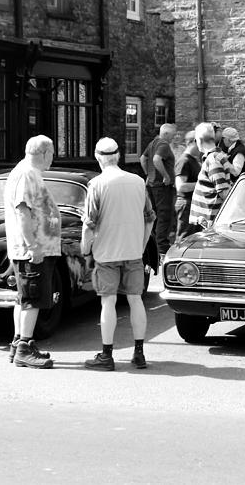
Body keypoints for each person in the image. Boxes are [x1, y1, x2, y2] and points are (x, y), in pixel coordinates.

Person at [82, 137, 156, 371]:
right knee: (135, 300)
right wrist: (142, 244)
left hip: (107, 253)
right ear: (119, 156)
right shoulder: (137, 182)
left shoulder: (97, 184)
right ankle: (139, 353)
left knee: (108, 302)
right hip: (133, 251)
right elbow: (150, 218)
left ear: (97, 157)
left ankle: (107, 355)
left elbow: (89, 223)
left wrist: (86, 248)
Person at [3, 135, 60, 369]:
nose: (53, 158)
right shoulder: (26, 174)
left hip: (32, 248)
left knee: (25, 297)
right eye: (52, 153)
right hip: (32, 250)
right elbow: (22, 211)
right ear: (45, 153)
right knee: (32, 299)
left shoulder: (27, 172)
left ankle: (19, 343)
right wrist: (32, 245)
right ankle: (24, 348)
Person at [139, 123, 177, 257]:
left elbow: (143, 159)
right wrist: (166, 176)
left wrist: (148, 174)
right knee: (164, 216)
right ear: (166, 134)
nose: (173, 138)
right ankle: (162, 248)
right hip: (162, 187)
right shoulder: (163, 144)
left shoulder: (153, 143)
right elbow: (156, 159)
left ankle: (153, 246)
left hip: (152, 186)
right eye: (172, 135)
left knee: (154, 215)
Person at [189, 122, 234, 229]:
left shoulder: (213, 160)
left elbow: (224, 192)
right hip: (208, 220)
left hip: (209, 222)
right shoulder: (216, 156)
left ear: (199, 140)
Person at [173, 130, 202, 241]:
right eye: (200, 143)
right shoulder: (184, 161)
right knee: (184, 238)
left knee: (194, 238)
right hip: (186, 204)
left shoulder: (194, 160)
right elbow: (180, 186)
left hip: (193, 204)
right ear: (193, 142)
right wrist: (202, 184)